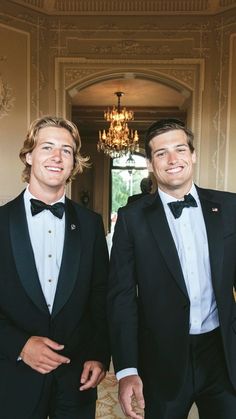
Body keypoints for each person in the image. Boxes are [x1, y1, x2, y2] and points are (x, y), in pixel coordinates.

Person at [107, 118, 236, 419]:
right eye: (161, 153)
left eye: (180, 149)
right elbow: (121, 298)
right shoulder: (131, 218)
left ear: (193, 155)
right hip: (161, 360)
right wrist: (126, 369)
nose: (173, 159)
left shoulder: (230, 208)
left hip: (222, 355)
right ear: (151, 164)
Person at [0, 116, 110, 419]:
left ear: (74, 161)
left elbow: (100, 295)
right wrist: (20, 346)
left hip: (76, 379)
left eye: (66, 150)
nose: (57, 157)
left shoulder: (90, 224)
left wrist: (99, 355)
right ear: (28, 155)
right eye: (47, 147)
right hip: (12, 376)